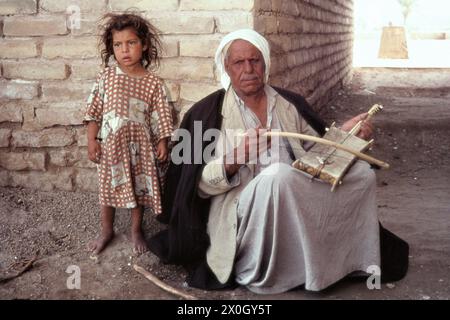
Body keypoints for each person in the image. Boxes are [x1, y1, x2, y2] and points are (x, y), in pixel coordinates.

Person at [149, 29, 408, 293]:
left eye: (255, 60)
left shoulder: (288, 103)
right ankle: (273, 270)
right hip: (240, 207)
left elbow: (318, 153)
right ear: (226, 68)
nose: (248, 69)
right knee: (278, 175)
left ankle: (348, 261)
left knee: (362, 174)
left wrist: (345, 134)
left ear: (265, 64)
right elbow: (196, 188)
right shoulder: (206, 114)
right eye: (239, 63)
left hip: (296, 191)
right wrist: (233, 159)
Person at [84, 13, 173, 255]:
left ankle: (136, 230)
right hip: (111, 146)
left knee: (139, 189)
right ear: (112, 48)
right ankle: (106, 230)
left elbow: (161, 115)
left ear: (144, 45)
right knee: (107, 188)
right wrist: (92, 141)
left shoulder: (154, 83)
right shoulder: (107, 76)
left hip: (140, 149)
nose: (125, 50)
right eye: (118, 45)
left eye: (131, 43)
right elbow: (94, 112)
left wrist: (163, 141)